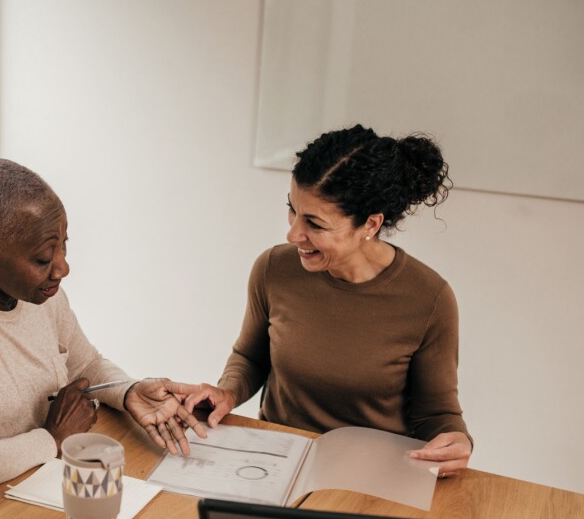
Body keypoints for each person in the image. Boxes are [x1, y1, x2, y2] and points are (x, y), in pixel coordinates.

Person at [0, 159, 206, 508]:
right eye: (43, 258)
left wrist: (128, 390)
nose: (63, 268)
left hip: (28, 487)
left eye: (63, 244)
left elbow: (84, 363)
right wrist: (51, 440)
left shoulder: (39, 293)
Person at [184, 125, 472, 477]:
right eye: (292, 210)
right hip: (274, 463)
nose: (292, 234)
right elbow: (250, 357)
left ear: (370, 223)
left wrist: (456, 441)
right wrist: (227, 392)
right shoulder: (274, 268)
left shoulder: (429, 298)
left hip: (371, 476)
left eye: (315, 224)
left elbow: (437, 413)